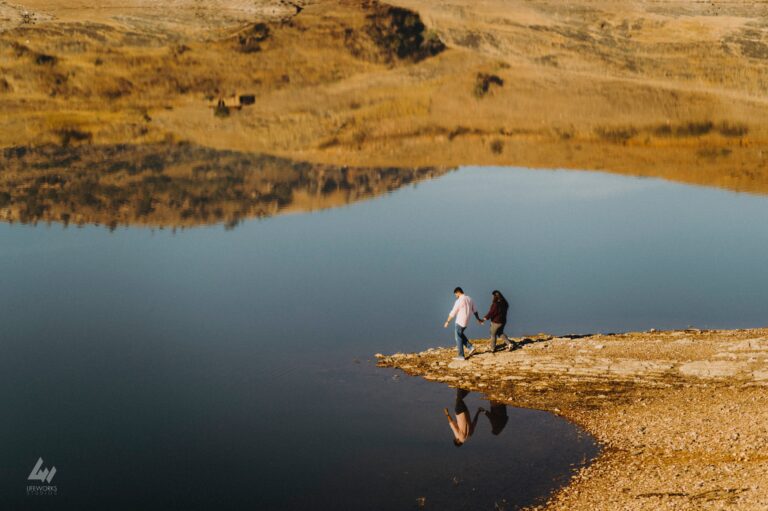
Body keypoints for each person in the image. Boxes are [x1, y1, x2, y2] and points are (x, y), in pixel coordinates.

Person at [444, 287, 482, 360]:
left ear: (458, 292)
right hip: (466, 321)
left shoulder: (459, 301)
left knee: (458, 338)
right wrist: (478, 319)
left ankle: (461, 356)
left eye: (455, 294)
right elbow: (475, 310)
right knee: (460, 335)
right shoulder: (470, 299)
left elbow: (453, 312)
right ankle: (470, 347)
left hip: (459, 321)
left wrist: (447, 321)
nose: (456, 296)